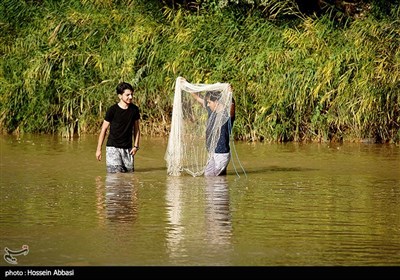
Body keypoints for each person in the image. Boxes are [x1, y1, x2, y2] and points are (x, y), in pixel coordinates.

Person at [96, 82, 140, 173]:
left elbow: (137, 129)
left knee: (129, 176)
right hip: (113, 147)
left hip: (128, 148)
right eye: (127, 95)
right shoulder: (112, 110)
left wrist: (136, 146)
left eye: (131, 94)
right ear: (120, 96)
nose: (131, 97)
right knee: (115, 176)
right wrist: (99, 149)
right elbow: (104, 129)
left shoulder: (134, 110)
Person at [191, 87, 235, 176]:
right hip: (213, 153)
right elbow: (197, 97)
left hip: (221, 154)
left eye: (209, 102)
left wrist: (230, 93)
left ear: (216, 102)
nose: (207, 105)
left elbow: (232, 107)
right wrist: (187, 85)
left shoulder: (226, 116)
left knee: (210, 177)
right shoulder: (212, 112)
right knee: (216, 178)